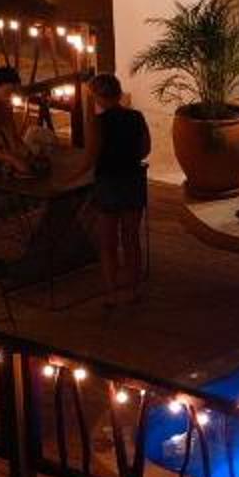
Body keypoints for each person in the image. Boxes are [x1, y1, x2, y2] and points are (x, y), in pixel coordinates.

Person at [86, 72, 152, 304]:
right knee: (131, 238)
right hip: (132, 179)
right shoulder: (136, 117)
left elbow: (91, 156)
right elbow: (145, 149)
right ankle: (133, 288)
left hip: (108, 182)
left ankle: (111, 290)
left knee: (108, 241)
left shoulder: (98, 122)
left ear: (98, 96)